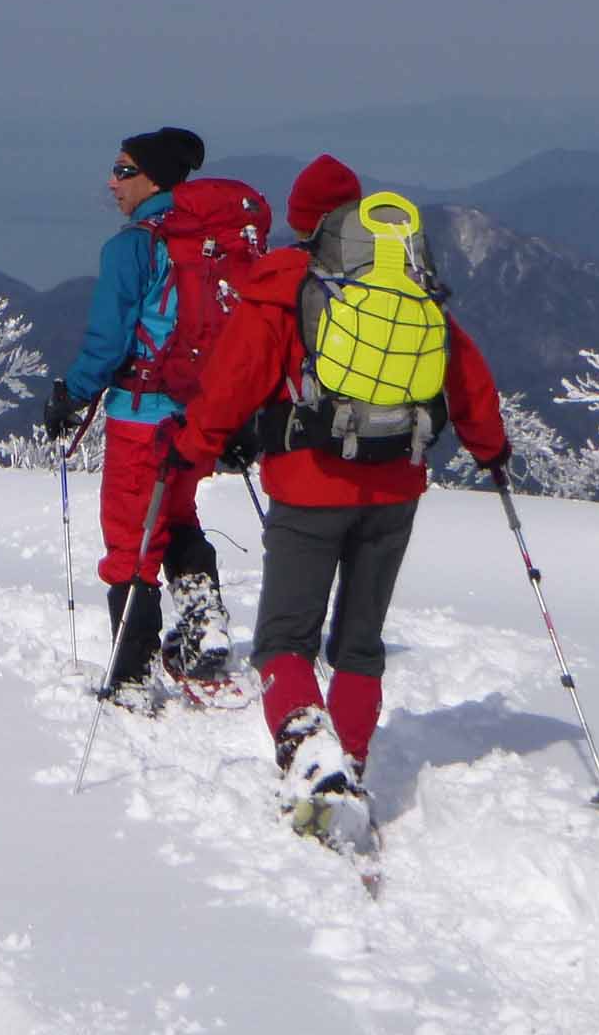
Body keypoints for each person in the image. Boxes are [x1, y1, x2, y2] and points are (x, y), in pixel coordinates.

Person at [164, 153, 510, 840]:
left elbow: (231, 382)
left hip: (309, 484)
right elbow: (467, 377)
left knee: (284, 639)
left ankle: (310, 756)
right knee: (358, 640)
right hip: (397, 483)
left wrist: (193, 448)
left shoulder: (282, 286)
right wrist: (491, 449)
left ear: (301, 221)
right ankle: (348, 762)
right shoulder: (408, 285)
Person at [41, 128, 233, 704]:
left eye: (124, 170)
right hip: (199, 412)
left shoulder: (134, 246)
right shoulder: (209, 242)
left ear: (154, 180)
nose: (112, 181)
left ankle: (132, 676)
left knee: (131, 540)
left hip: (142, 414)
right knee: (176, 516)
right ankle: (203, 632)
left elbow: (109, 339)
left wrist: (72, 394)